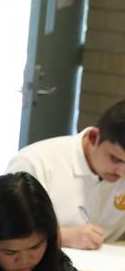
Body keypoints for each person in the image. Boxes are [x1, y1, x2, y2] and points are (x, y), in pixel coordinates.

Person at [7, 100, 125, 252]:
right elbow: (6, 231)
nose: (122, 172)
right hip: (37, 270)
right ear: (93, 137)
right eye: (115, 159)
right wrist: (62, 236)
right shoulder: (34, 162)